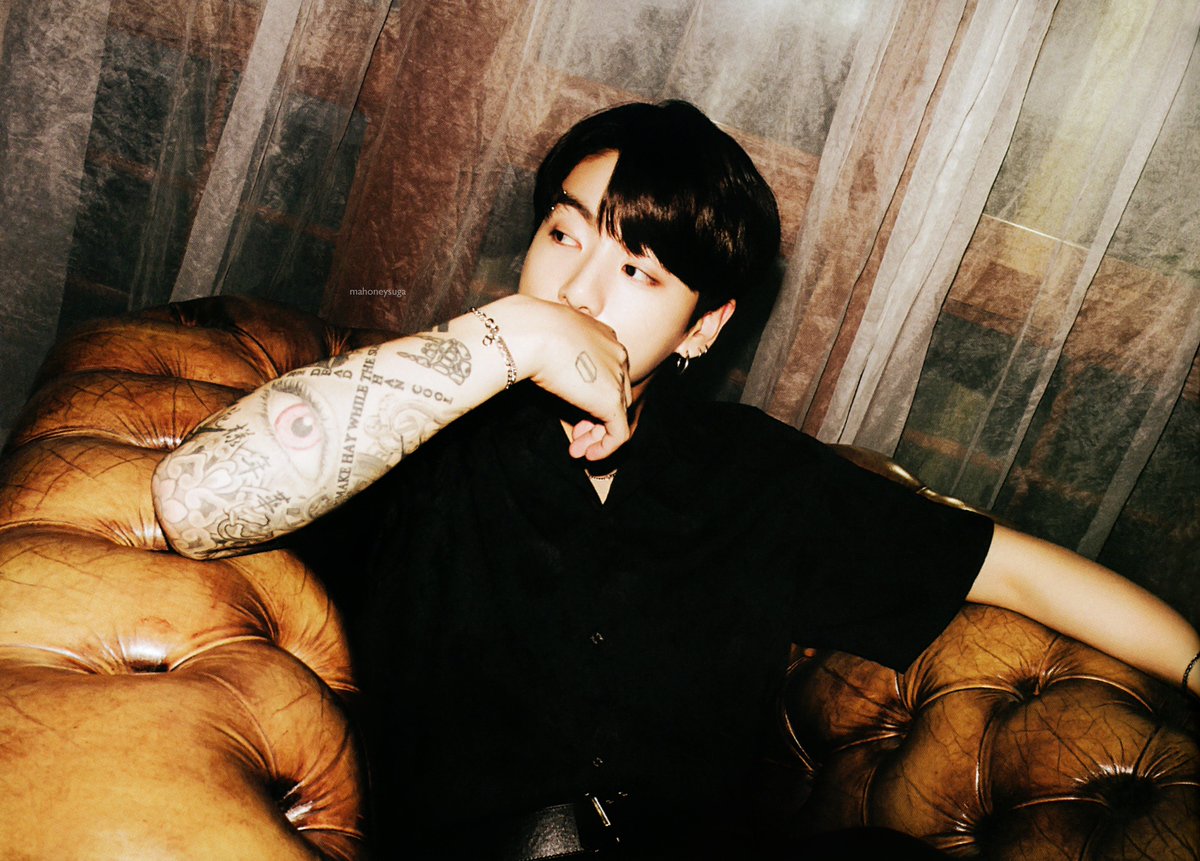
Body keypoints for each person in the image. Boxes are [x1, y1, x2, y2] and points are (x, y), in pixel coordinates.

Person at [151, 101, 1200, 859]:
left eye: (637, 269)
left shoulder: (752, 475)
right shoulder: (421, 429)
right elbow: (194, 501)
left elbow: (1017, 572)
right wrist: (508, 337)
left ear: (703, 327)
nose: (576, 287)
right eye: (562, 234)